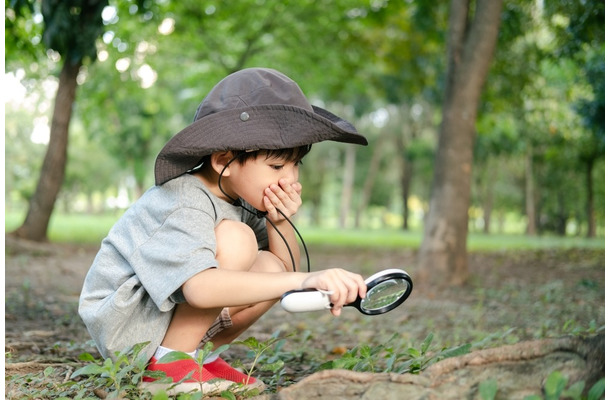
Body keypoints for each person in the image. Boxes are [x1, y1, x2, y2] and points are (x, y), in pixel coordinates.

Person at [78, 67, 369, 395]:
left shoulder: (239, 198)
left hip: (162, 317)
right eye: (276, 166)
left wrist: (281, 219)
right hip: (127, 321)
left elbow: (285, 269)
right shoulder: (184, 198)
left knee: (272, 267)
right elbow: (200, 289)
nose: (290, 179)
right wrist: (304, 281)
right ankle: (171, 363)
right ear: (223, 160)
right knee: (238, 240)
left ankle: (194, 357)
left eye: (295, 164)